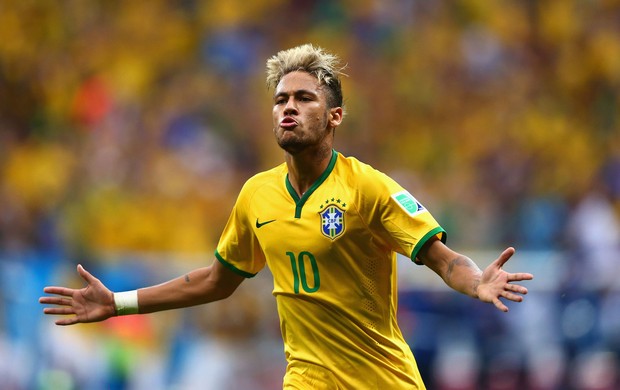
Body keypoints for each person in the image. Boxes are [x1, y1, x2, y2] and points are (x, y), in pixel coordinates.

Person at [40, 44, 533, 389]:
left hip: (382, 377)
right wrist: (119, 303)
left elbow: (444, 260)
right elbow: (215, 281)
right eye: (280, 100)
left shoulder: (368, 188)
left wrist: (476, 283)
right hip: (306, 379)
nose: (288, 108)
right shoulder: (256, 195)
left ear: (334, 116)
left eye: (303, 98)